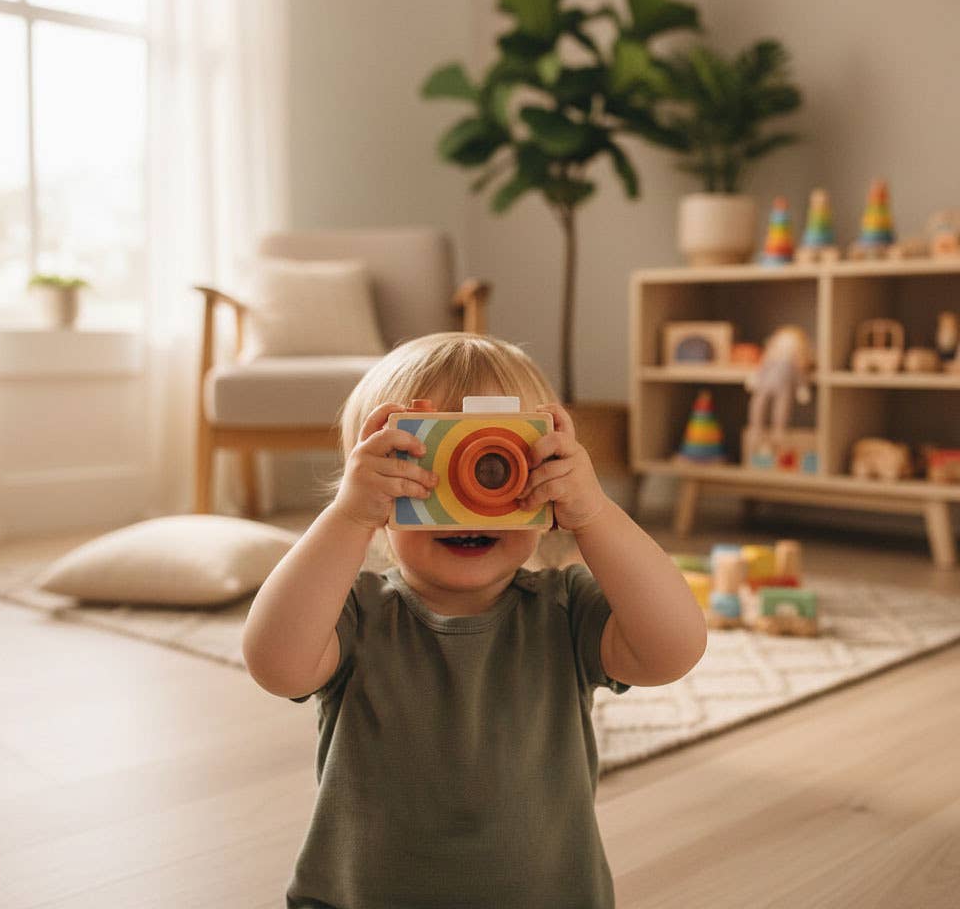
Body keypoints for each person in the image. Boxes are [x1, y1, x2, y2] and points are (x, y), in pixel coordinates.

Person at [242, 332, 707, 909]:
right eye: (427, 456)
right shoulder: (355, 613)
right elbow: (275, 664)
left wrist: (596, 514)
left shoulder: (563, 609)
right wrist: (347, 516)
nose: (471, 485)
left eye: (498, 460)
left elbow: (675, 649)